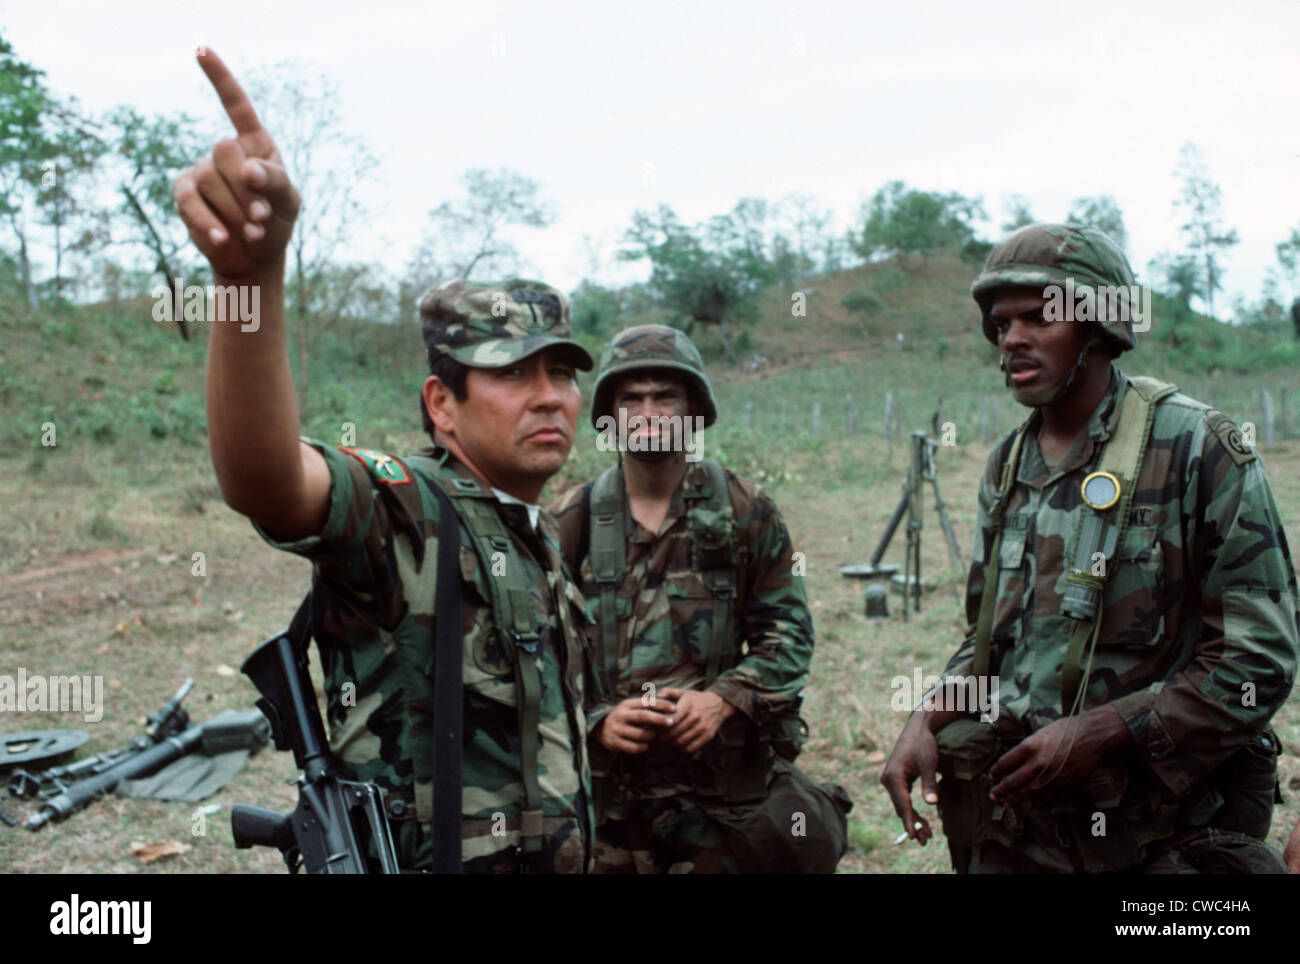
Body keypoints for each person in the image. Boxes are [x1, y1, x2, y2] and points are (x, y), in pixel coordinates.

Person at [173, 49, 595, 873]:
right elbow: (266, 478)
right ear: (443, 406)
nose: (549, 395)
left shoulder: (543, 536)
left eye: (562, 373)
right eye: (512, 373)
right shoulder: (410, 506)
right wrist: (248, 282)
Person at [881, 223, 1299, 874]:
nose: (1012, 339)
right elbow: (986, 643)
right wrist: (927, 713)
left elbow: (1260, 659)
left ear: (1099, 326)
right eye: (1000, 325)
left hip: (1160, 830)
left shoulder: (1195, 448)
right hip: (1019, 821)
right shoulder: (1006, 464)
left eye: (1038, 318)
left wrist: (1108, 729)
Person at [550, 324, 849, 874]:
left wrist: (724, 699)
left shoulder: (744, 509)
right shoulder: (574, 518)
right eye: (630, 398)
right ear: (610, 416)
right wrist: (598, 719)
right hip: (608, 796)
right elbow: (541, 655)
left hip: (716, 795)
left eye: (666, 396)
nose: (648, 412)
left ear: (694, 410)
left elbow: (789, 635)